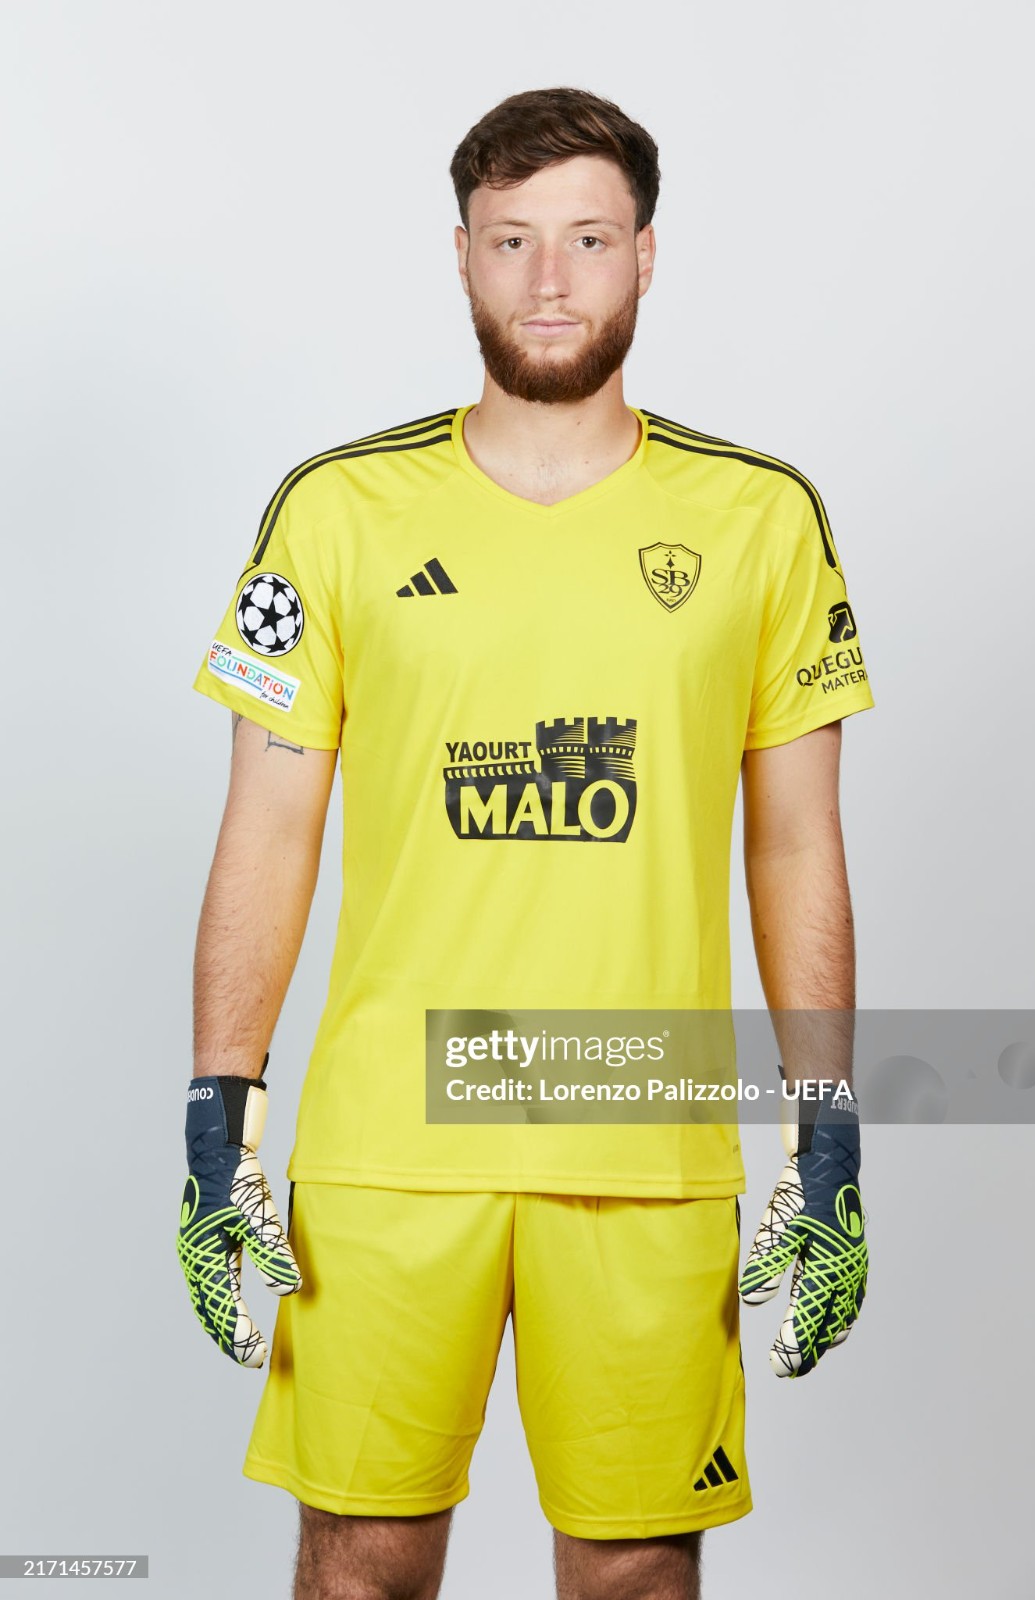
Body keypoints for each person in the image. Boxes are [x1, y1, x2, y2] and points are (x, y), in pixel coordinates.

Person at [177, 86, 873, 1600]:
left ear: (643, 258)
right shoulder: (337, 511)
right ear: (461, 255)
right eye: (511, 241)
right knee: (357, 1558)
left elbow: (795, 849)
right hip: (384, 1148)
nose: (547, 281)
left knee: (631, 1571)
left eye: (585, 239)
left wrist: (826, 1129)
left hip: (643, 1139)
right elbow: (269, 829)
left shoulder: (760, 520)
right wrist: (213, 1113)